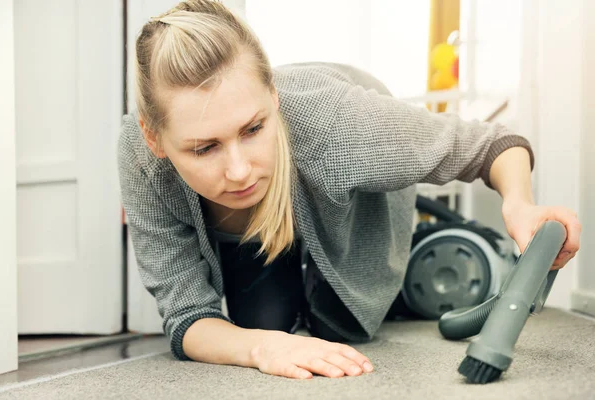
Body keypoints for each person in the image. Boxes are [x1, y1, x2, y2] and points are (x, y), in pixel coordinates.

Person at [118, 0, 581, 380]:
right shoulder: (139, 156)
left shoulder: (338, 124)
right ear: (154, 137)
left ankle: (399, 246)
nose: (239, 172)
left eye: (254, 128)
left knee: (344, 322)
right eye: (204, 149)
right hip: (272, 210)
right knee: (263, 325)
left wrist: (520, 204)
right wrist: (261, 346)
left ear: (273, 99)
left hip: (352, 170)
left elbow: (490, 146)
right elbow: (185, 317)